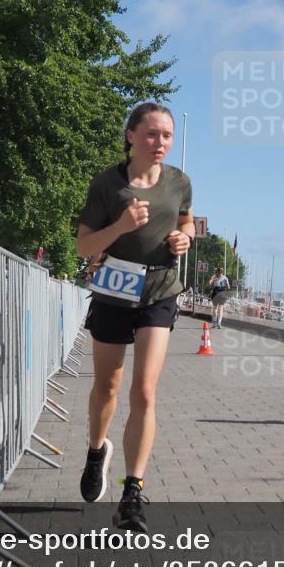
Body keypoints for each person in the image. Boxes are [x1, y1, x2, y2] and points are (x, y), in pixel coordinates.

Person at [76, 102, 194, 532]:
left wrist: (185, 237)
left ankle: (132, 493)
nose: (160, 143)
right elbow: (84, 247)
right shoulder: (108, 184)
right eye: (151, 134)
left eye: (166, 136)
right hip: (112, 290)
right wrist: (121, 226)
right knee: (107, 386)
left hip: (159, 291)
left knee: (144, 392)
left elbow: (186, 222)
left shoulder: (179, 181)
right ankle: (94, 451)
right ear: (130, 136)